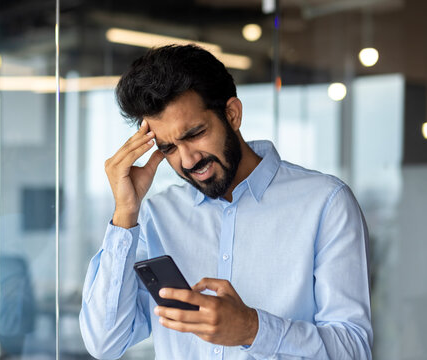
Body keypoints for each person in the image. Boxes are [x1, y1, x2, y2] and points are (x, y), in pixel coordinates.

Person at [79, 44, 372, 359]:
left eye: (195, 134)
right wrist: (125, 214)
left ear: (232, 114)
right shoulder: (155, 216)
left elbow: (353, 349)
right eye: (168, 148)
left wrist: (252, 329)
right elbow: (105, 343)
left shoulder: (326, 204)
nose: (188, 160)